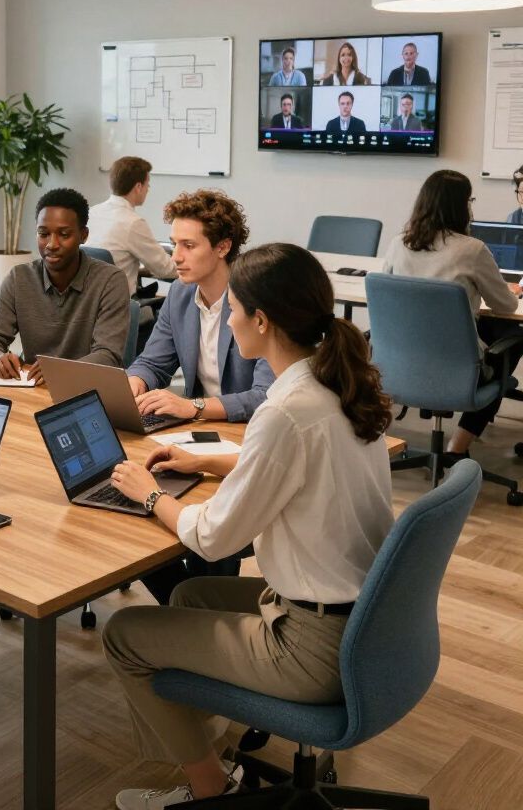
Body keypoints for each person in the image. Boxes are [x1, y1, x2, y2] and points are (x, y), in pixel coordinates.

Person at [103, 243, 395, 809]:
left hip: (311, 647)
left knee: (125, 635)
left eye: (234, 309)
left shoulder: (284, 411)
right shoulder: (333, 385)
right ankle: (215, 743)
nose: (228, 318)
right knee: (191, 593)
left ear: (261, 320)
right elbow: (301, 466)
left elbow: (214, 536)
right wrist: (206, 461)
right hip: (363, 620)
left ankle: (210, 788)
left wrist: (151, 494)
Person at [126, 189, 274, 602]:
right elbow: (152, 362)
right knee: (137, 490)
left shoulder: (255, 298)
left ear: (223, 247)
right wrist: (135, 383)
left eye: (188, 245)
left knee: (206, 525)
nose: (175, 256)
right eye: (174, 244)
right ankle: (188, 605)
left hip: (248, 437)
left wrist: (191, 407)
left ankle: (204, 609)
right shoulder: (178, 296)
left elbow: (265, 394)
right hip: (195, 435)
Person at [381, 169, 522, 456]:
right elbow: (505, 307)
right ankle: (457, 446)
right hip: (459, 372)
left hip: (399, 367)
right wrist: (508, 291)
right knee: (513, 336)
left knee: (485, 330)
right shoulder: (472, 250)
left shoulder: (398, 244)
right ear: (462, 206)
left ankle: (379, 439)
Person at [0, 187, 130, 386]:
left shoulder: (110, 281)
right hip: (35, 387)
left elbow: (108, 355)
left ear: (84, 235)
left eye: (64, 234)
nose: (51, 244)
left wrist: (61, 370)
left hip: (86, 389)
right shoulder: (19, 278)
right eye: (43, 234)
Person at [87, 156, 176, 296]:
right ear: (138, 187)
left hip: (89, 302)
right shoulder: (133, 223)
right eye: (148, 184)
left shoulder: (91, 213)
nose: (148, 189)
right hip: (120, 307)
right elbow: (165, 269)